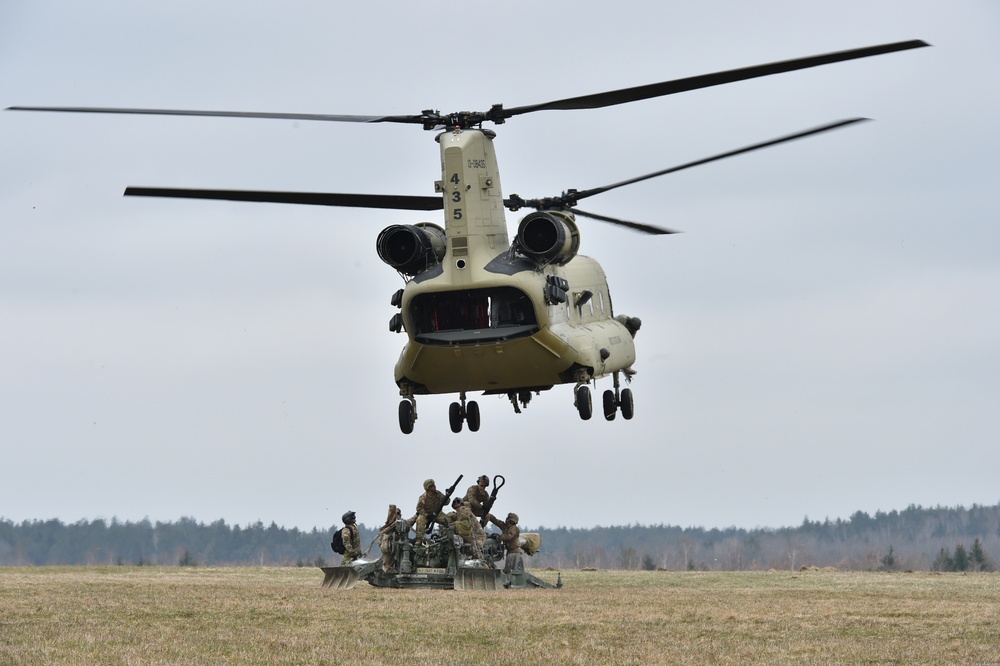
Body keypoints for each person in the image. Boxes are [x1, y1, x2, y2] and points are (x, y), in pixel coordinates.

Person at [413, 479, 448, 546]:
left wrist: (447, 496)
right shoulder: (423, 497)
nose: (434, 486)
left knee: (448, 521)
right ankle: (419, 540)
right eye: (431, 486)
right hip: (427, 514)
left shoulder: (438, 494)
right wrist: (427, 515)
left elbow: (446, 503)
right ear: (427, 488)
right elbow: (419, 508)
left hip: (438, 513)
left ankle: (451, 538)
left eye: (434, 484)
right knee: (420, 520)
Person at [377, 504, 403, 573]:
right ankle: (387, 575)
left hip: (388, 545)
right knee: (388, 564)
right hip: (389, 545)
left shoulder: (392, 524)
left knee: (388, 563)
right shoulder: (390, 525)